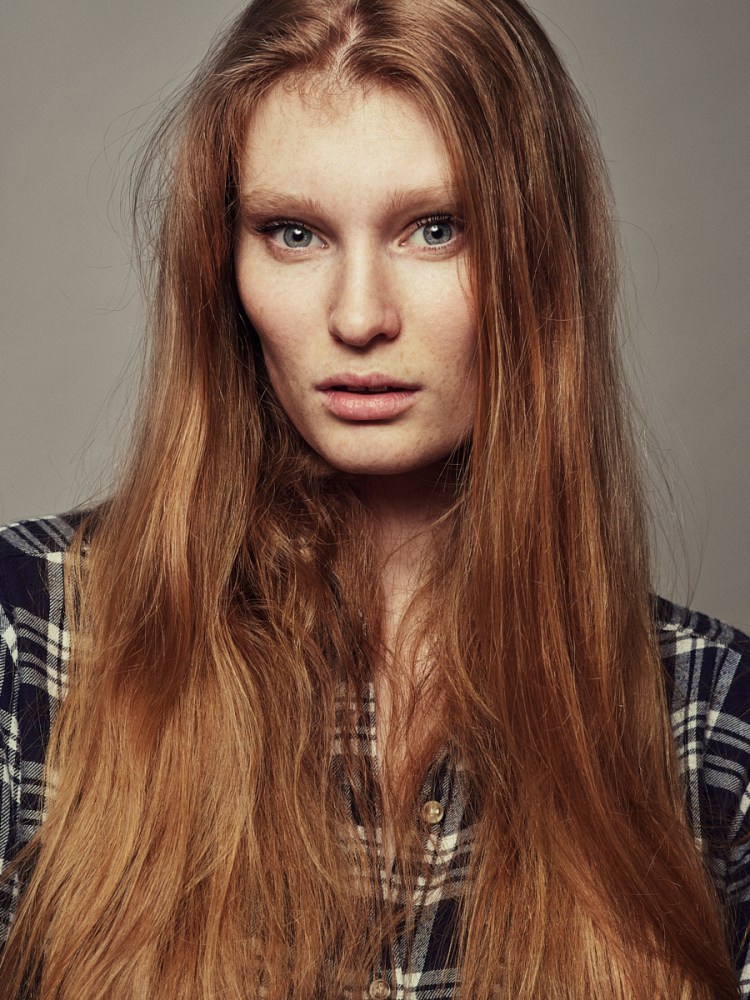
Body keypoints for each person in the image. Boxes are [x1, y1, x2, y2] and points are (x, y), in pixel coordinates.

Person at [1, 0, 748, 996]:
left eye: (435, 230)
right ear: (224, 265)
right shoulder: (36, 640)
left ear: (537, 260)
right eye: (294, 232)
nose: (359, 316)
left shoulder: (707, 716)